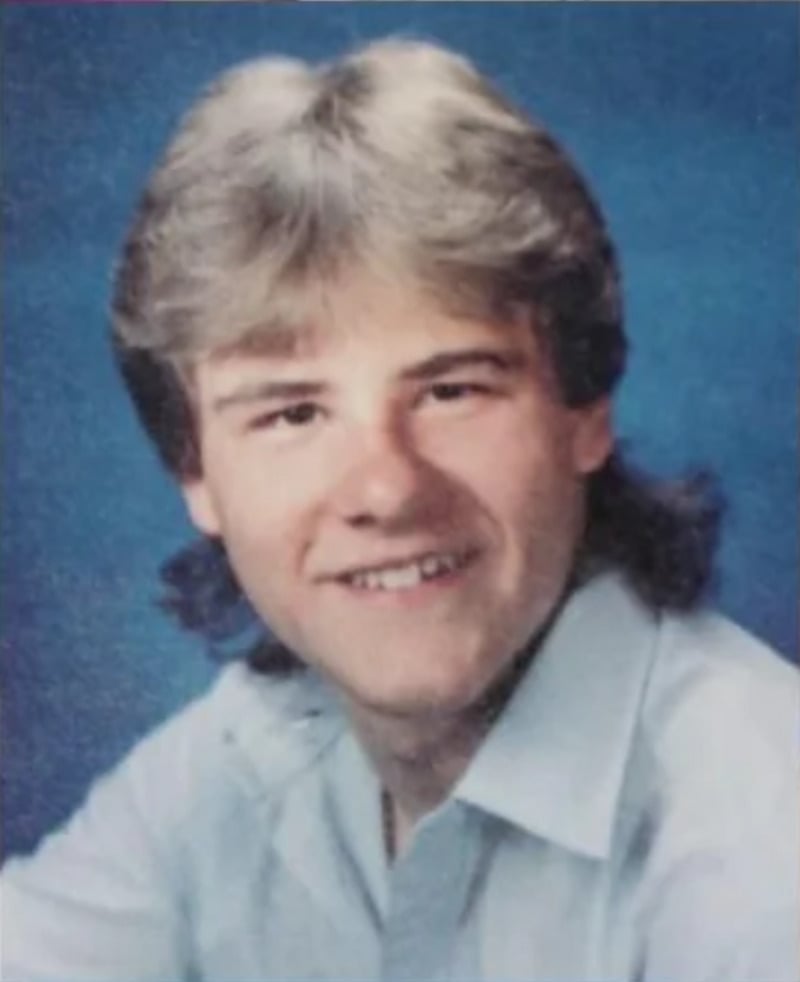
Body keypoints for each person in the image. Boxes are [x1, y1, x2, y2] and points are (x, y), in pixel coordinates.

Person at [2, 38, 796, 982]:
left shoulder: (761, 837)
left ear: (586, 411)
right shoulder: (249, 750)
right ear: (195, 474)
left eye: (452, 389)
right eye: (294, 412)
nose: (386, 488)